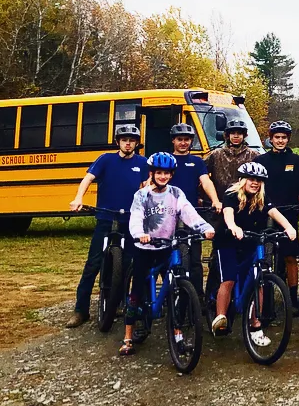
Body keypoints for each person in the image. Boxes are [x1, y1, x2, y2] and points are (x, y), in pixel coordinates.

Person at [121, 152, 215, 355]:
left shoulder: (176, 193)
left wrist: (205, 228)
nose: (163, 177)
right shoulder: (142, 195)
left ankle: (179, 335)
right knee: (136, 293)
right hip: (144, 249)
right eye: (159, 173)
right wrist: (140, 234)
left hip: (167, 247)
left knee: (177, 290)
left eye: (166, 173)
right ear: (152, 173)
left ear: (171, 175)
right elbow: (135, 217)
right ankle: (128, 337)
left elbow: (189, 212)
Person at [65, 124, 149, 328]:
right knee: (93, 264)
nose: (128, 143)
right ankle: (80, 310)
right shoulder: (106, 159)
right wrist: (78, 198)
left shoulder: (143, 162)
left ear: (136, 143)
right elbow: (88, 179)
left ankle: (118, 302)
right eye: (124, 140)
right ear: (118, 142)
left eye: (132, 140)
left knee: (128, 264)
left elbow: (147, 185)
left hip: (130, 220)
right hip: (105, 218)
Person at [212, 162, 298, 335]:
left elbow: (274, 212)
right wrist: (233, 227)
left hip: (250, 240)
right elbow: (227, 213)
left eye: (259, 180)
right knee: (228, 279)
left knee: (257, 280)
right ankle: (220, 317)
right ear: (242, 180)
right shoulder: (231, 194)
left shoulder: (262, 197)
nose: (255, 183)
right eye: (251, 179)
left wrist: (289, 227)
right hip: (228, 241)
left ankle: (255, 322)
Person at [255, 120, 299, 310]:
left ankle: (292, 298)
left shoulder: (296, 161)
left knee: (290, 257)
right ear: (271, 139)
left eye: (283, 137)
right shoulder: (260, 161)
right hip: (265, 214)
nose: (280, 141)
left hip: (290, 214)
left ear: (288, 139)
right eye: (277, 137)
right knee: (265, 257)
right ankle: (264, 302)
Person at [167, 123, 222, 297]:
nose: (183, 143)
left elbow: (206, 182)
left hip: (191, 214)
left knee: (195, 259)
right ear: (173, 141)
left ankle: (197, 297)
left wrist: (215, 200)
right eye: (180, 139)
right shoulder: (167, 160)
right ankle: (170, 295)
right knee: (167, 256)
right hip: (168, 214)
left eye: (187, 140)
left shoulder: (196, 161)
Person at [205, 119, 260, 201]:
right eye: (233, 133)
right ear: (227, 135)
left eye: (239, 133)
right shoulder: (215, 154)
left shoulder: (254, 155)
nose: (236, 136)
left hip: (246, 201)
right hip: (220, 202)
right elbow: (201, 176)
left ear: (244, 135)